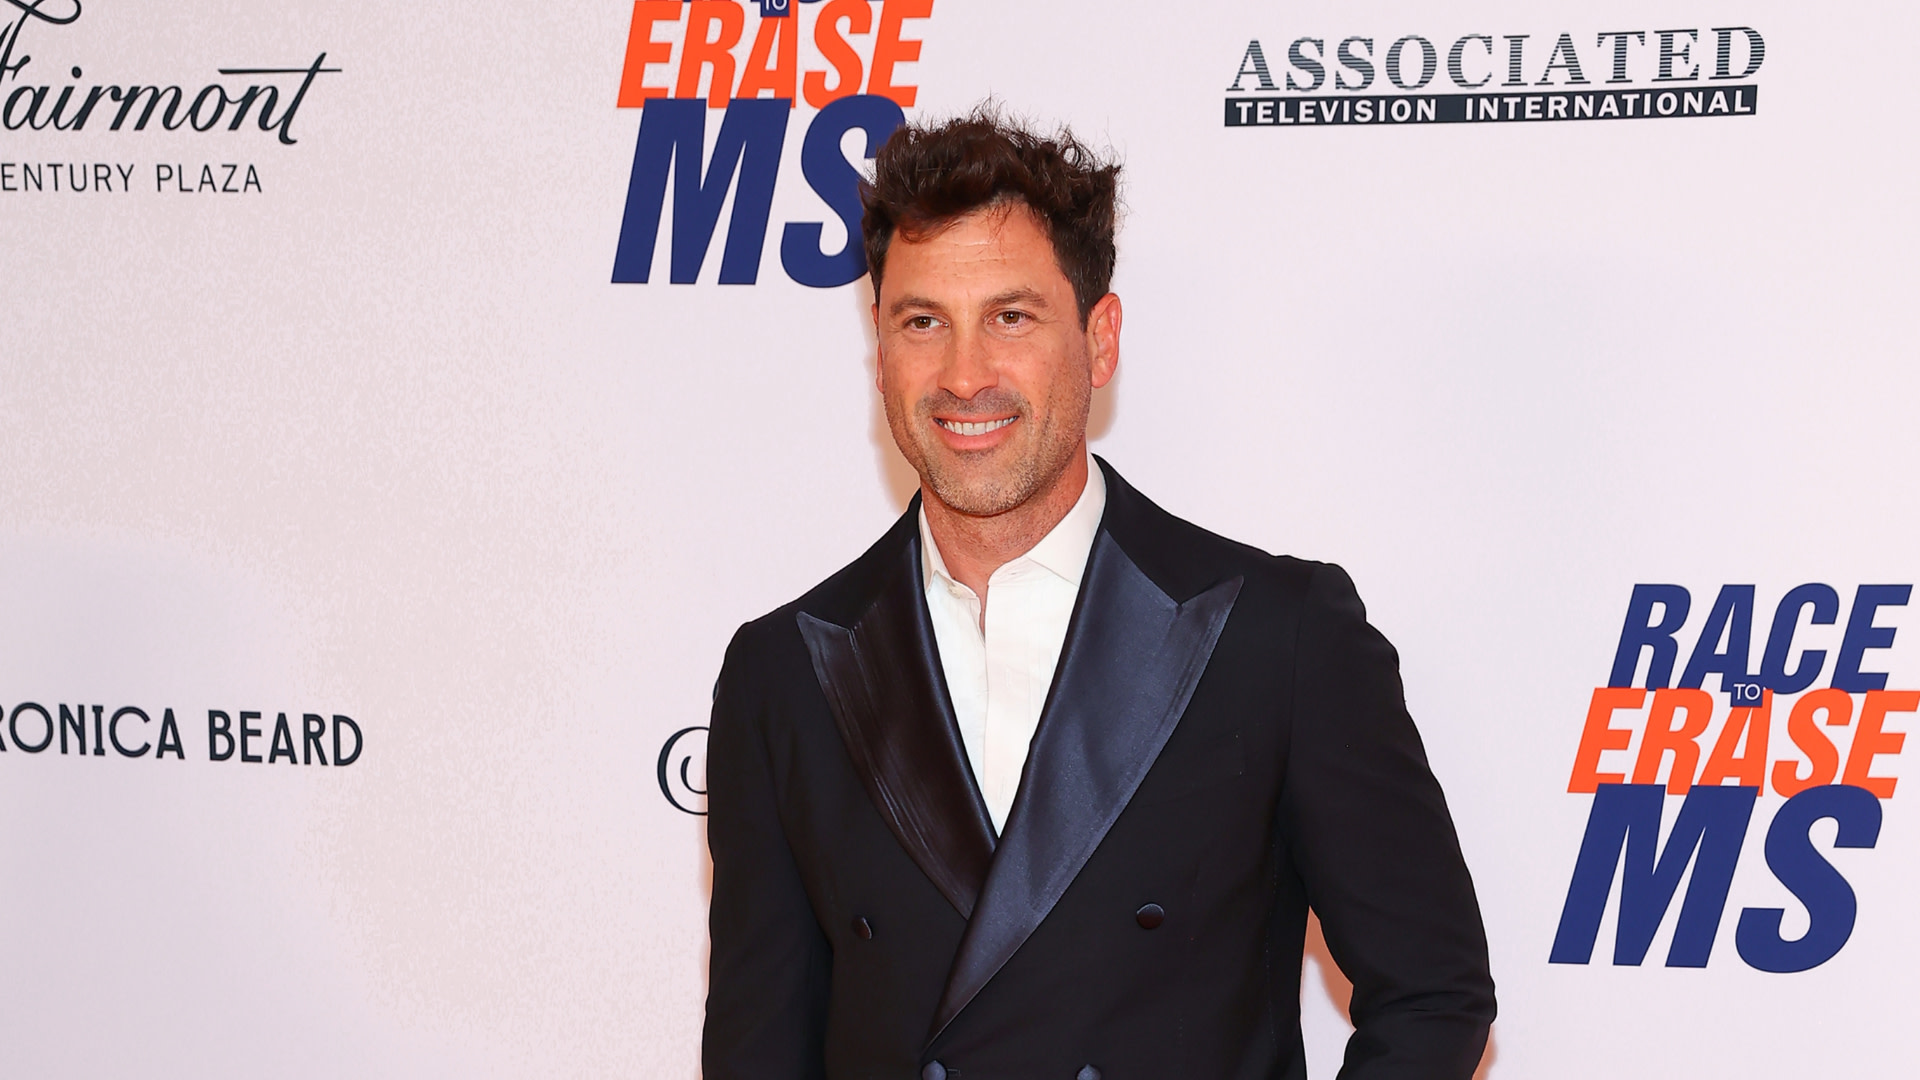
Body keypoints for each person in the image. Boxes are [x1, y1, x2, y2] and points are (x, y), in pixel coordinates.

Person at [703, 108, 1495, 1080]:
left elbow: (1434, 993)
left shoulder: (1277, 639)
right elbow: (758, 1050)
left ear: (1100, 337)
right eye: (923, 321)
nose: (964, 375)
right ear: (879, 348)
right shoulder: (784, 672)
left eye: (1011, 316)